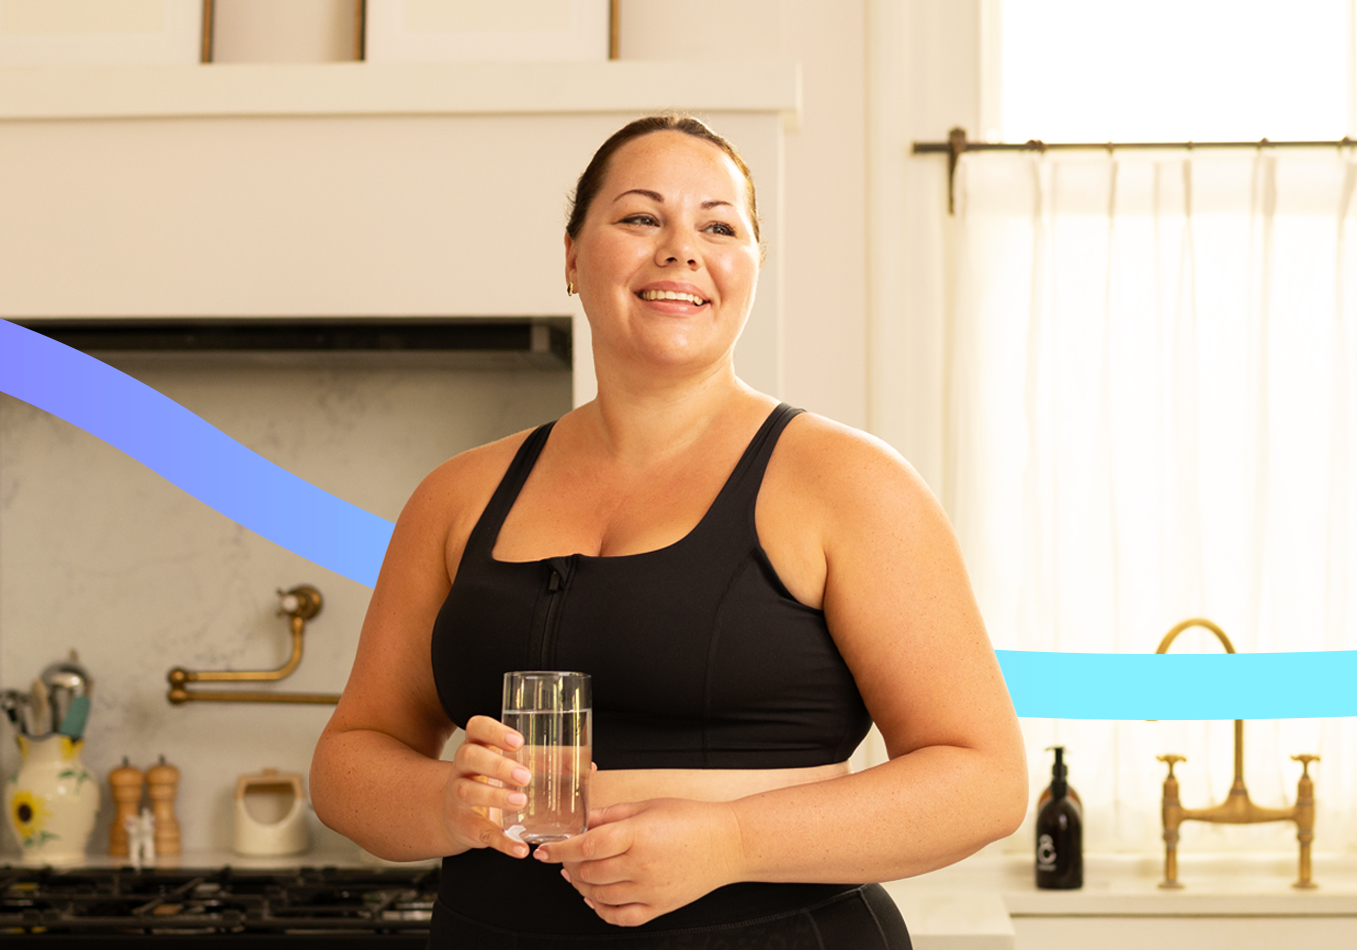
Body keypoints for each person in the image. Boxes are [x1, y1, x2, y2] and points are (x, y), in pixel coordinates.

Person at [310, 114, 1027, 947]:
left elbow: (983, 781)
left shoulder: (849, 483)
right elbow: (351, 758)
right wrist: (444, 803)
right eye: (641, 217)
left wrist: (733, 841)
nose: (681, 250)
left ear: (752, 266)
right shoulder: (457, 496)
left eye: (719, 227)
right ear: (572, 257)